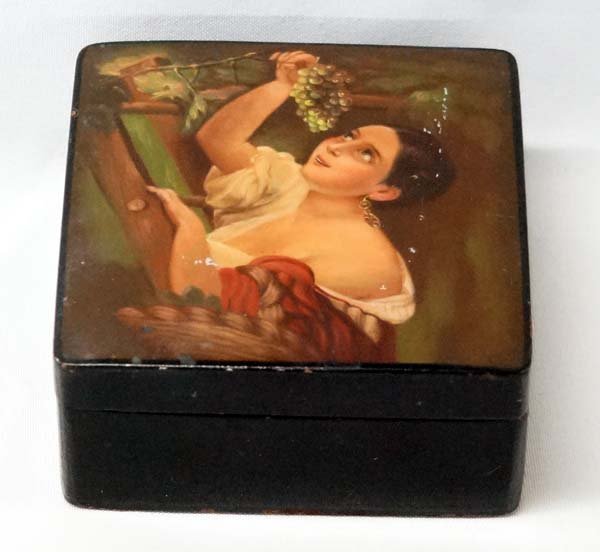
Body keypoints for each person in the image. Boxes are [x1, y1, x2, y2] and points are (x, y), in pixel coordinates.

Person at [145, 50, 454, 362]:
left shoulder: (365, 260)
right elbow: (218, 140)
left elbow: (203, 300)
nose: (337, 147)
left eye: (365, 154)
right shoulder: (291, 184)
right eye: (349, 135)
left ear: (383, 190)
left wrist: (189, 228)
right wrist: (282, 85)